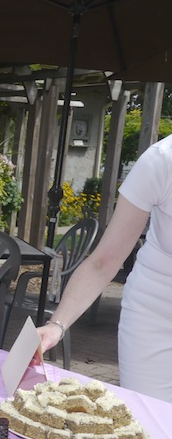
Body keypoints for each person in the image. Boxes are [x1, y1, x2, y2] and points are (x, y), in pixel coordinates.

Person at [37, 134, 172, 403]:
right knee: (153, 422)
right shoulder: (161, 160)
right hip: (155, 313)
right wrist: (56, 325)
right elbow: (104, 261)